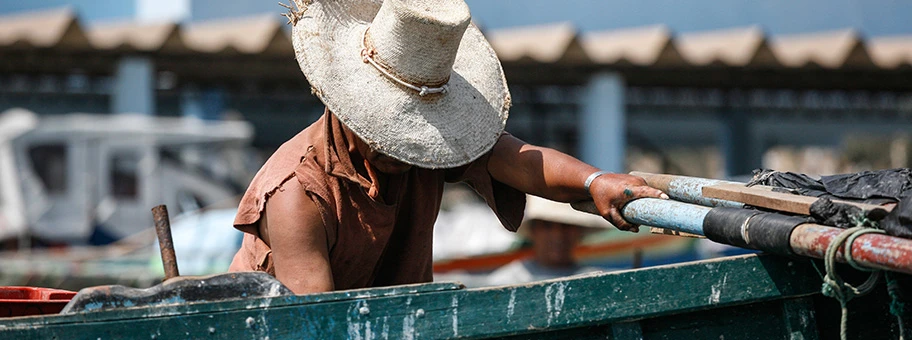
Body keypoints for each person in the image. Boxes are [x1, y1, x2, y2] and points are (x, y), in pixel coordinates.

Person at [228, 0, 666, 294]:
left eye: (413, 135)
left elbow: (520, 161)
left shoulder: (428, 147)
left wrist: (596, 182)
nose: (403, 151)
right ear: (345, 109)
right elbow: (318, 324)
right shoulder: (296, 194)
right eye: (391, 132)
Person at [485, 195, 618, 286]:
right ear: (533, 231)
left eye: (566, 226)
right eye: (547, 226)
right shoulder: (506, 281)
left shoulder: (597, 280)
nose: (557, 235)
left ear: (579, 232)